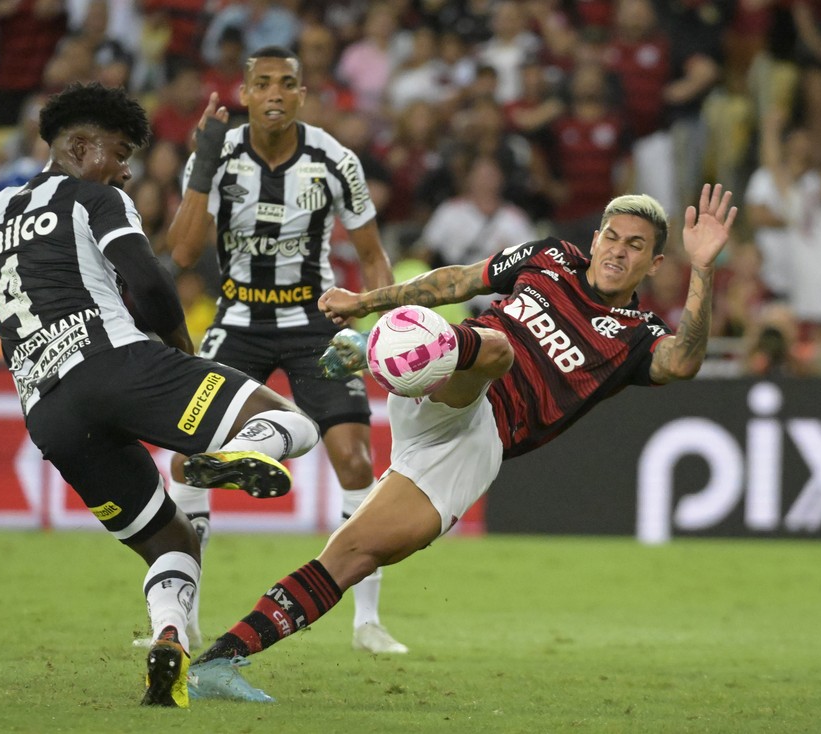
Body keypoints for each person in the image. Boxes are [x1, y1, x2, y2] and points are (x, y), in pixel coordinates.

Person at [184, 183, 738, 702]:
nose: (618, 251)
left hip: (476, 444)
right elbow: (457, 282)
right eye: (611, 237)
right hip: (455, 377)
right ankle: (386, 346)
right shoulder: (550, 258)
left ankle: (217, 664)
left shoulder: (636, 335)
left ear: (654, 263)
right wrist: (365, 301)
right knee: (498, 347)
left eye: (635, 246)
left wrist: (705, 268)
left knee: (354, 555)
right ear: (595, 239)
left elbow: (683, 362)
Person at [0, 81, 320, 708]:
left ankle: (168, 639)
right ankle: (235, 451)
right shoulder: (94, 199)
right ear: (79, 147)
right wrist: (182, 353)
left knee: (172, 541)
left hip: (49, 414)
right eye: (119, 151)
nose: (127, 169)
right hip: (118, 367)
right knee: (295, 423)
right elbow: (151, 285)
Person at [164, 45, 407, 655]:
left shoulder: (334, 160)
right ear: (244, 94)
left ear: (303, 95)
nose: (275, 93)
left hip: (315, 321)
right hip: (238, 319)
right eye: (263, 83)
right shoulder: (219, 158)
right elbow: (184, 254)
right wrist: (201, 160)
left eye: (288, 83)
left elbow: (373, 252)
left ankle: (367, 623)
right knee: (188, 452)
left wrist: (369, 326)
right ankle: (183, 617)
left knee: (354, 460)